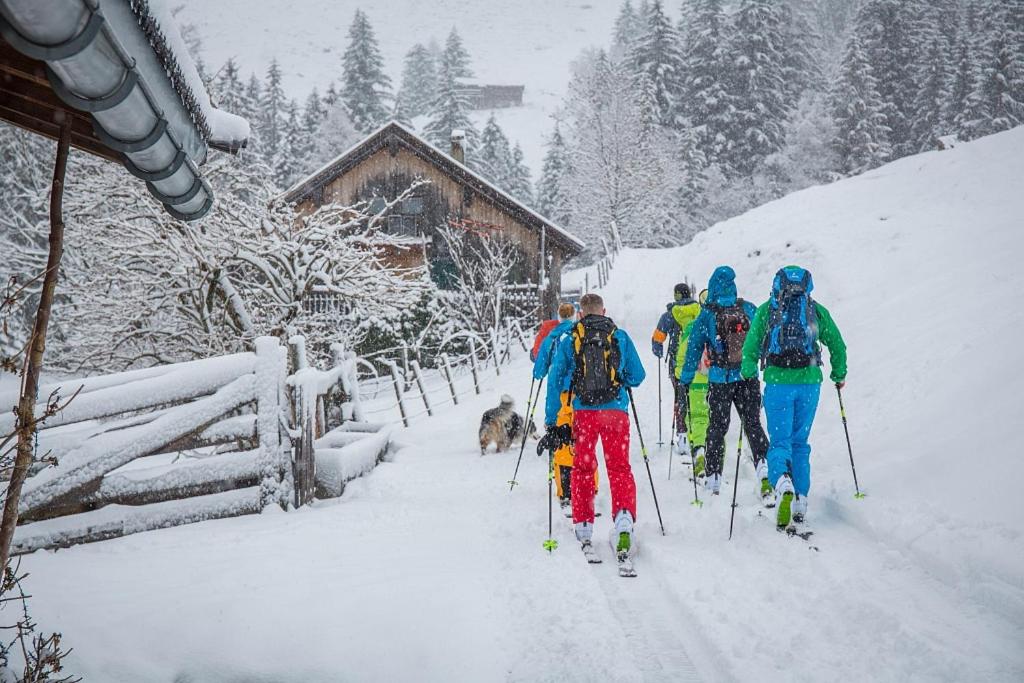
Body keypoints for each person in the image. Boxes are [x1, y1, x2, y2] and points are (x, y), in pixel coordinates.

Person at [741, 266, 847, 527]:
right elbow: (837, 343)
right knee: (800, 442)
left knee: (780, 443)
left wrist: (748, 372)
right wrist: (838, 374)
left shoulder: (767, 310)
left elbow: (750, 347)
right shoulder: (815, 310)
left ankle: (782, 483)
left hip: (778, 382)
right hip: (809, 383)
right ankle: (800, 499)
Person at [542, 292, 645, 559]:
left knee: (583, 468)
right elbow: (638, 375)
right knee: (619, 468)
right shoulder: (619, 336)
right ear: (603, 311)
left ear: (580, 313)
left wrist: (552, 420)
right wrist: (620, 379)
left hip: (584, 414)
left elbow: (555, 380)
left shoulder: (571, 339)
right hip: (615, 413)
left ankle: (584, 526)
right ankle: (624, 522)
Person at [679, 266, 770, 497]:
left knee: (717, 427)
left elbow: (694, 348)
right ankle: (765, 468)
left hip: (720, 380)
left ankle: (714, 477)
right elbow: (764, 336)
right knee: (753, 424)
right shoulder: (747, 308)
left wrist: (686, 378)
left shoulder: (707, 314)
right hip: (747, 377)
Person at [533, 302, 597, 513]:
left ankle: (567, 490)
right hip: (585, 395)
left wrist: (550, 417)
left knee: (562, 443)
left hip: (562, 396)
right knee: (584, 441)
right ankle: (591, 485)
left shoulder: (552, 338)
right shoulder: (581, 334)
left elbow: (539, 371)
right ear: (575, 315)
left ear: (559, 317)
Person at [650, 283, 705, 458]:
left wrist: (658, 351)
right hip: (699, 362)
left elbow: (657, 339)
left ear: (676, 295)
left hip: (677, 363)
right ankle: (699, 434)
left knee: (680, 397)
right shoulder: (700, 311)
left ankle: (682, 436)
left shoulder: (669, 315)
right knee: (698, 399)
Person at [673, 288, 712, 477]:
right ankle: (715, 458)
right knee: (715, 419)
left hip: (695, 382)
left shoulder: (693, 328)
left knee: (696, 417)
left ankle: (699, 448)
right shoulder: (719, 324)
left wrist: (681, 376)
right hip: (716, 381)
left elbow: (682, 357)